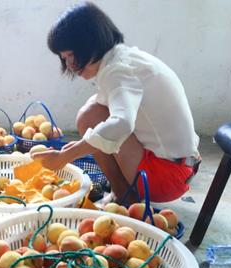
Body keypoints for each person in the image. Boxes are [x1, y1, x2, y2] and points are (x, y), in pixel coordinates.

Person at [33, 2, 201, 204]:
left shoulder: (118, 71)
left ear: (89, 42)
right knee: (95, 110)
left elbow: (121, 123)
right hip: (180, 168)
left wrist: (66, 156)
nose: (68, 64)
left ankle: (122, 195)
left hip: (163, 177)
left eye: (71, 55)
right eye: (64, 58)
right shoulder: (124, 59)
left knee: (91, 116)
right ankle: (123, 192)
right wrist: (81, 146)